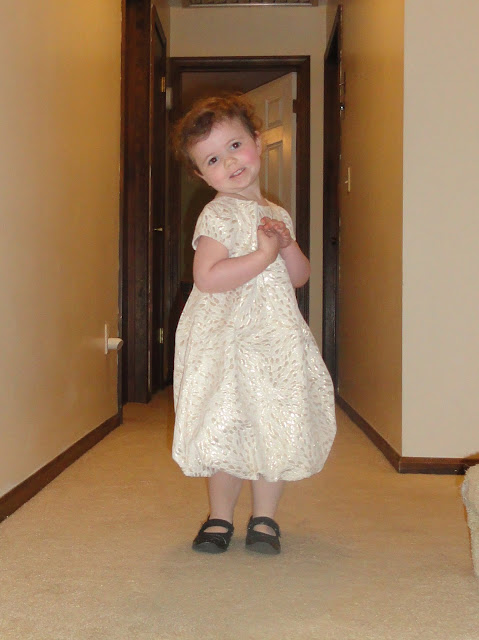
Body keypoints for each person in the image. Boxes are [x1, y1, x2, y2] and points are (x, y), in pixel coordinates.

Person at [171, 94, 336, 555]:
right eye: (212, 159)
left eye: (235, 146)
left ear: (258, 143)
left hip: (274, 342)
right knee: (229, 423)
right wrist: (263, 255)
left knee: (272, 423)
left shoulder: (277, 214)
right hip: (228, 343)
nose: (229, 162)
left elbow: (299, 277)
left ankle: (265, 517)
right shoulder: (217, 213)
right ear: (202, 176)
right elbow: (208, 277)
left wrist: (285, 246)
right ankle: (220, 516)